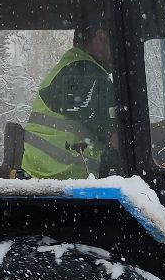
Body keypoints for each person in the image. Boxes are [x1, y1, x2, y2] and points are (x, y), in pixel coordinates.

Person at [20, 25, 119, 179]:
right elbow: (119, 141)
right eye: (119, 42)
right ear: (101, 37)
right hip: (63, 185)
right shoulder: (88, 75)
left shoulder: (70, 67)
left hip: (40, 178)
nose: (120, 53)